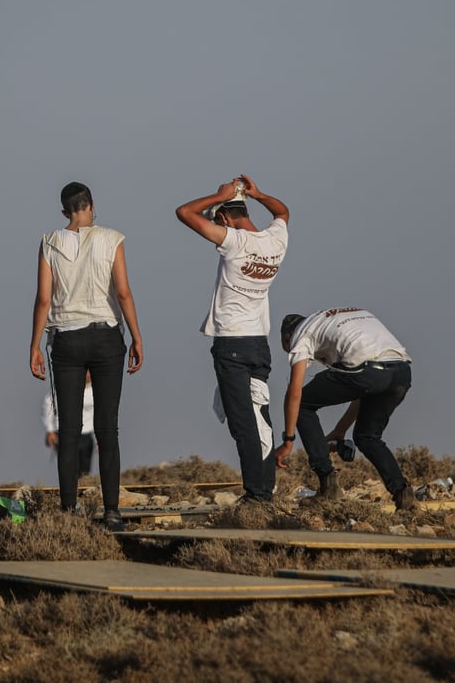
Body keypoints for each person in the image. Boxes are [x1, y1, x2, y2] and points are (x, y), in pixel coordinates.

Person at [30, 182, 144, 530]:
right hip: (106, 336)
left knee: (69, 429)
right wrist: (137, 337)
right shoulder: (112, 239)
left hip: (65, 339)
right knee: (107, 429)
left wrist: (34, 344)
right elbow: (122, 292)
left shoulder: (49, 241)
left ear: (65, 211)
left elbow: (44, 299)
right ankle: (112, 511)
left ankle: (69, 510)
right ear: (91, 205)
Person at [176, 175, 289, 504]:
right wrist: (260, 194)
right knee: (261, 418)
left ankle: (256, 495)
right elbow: (283, 213)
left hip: (232, 344)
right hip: (259, 344)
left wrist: (216, 195)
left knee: (242, 422)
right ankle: (264, 488)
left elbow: (184, 213)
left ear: (224, 218)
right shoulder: (275, 241)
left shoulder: (234, 242)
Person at [274, 308, 417, 510]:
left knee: (303, 404)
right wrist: (341, 429)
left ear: (287, 337)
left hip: (368, 373)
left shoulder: (301, 334)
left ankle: (328, 487)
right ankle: (404, 496)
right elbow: (365, 387)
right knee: (368, 437)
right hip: (401, 372)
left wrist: (288, 441)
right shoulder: (334, 321)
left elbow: (294, 394)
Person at [42, 371, 95, 478]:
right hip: (65, 433)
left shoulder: (97, 389)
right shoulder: (66, 387)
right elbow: (48, 406)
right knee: (69, 469)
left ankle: (81, 492)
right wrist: (50, 430)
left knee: (85, 471)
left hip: (86, 435)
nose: (88, 375)